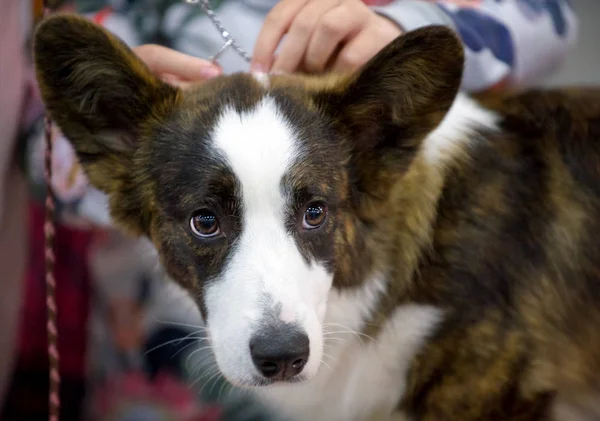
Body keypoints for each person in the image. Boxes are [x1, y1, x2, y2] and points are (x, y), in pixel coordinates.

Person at [2, 0, 578, 419]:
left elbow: (547, 12)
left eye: (311, 215)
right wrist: (115, 149)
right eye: (208, 220)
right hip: (157, 358)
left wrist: (404, 22)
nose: (276, 329)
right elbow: (31, 143)